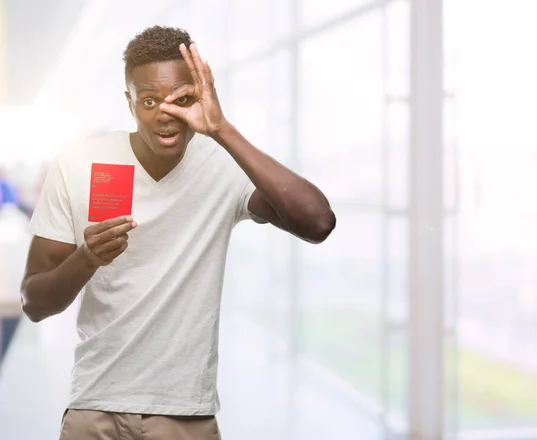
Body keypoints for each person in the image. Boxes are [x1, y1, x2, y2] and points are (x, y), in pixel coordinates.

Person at [20, 26, 336, 440]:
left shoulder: (224, 166)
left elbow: (317, 222)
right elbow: (35, 303)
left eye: (182, 100)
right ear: (129, 100)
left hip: (184, 413)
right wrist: (87, 259)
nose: (165, 114)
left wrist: (222, 129)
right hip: (94, 407)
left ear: (200, 95)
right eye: (149, 101)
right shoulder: (79, 164)